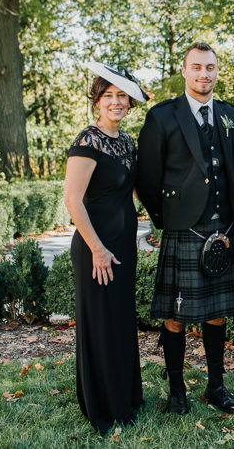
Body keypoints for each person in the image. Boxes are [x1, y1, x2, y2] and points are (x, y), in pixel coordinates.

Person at [136, 42, 234, 417]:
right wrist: (166, 222)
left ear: (218, 71)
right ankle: (176, 393)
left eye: (210, 68)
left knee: (218, 312)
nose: (204, 74)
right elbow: (148, 178)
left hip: (224, 228)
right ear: (184, 71)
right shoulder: (162, 116)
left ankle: (217, 387)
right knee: (176, 316)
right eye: (197, 67)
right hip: (184, 231)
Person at [64, 62, 148, 434]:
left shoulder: (127, 141)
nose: (115, 102)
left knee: (119, 321)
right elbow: (73, 201)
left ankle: (125, 398)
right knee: (100, 324)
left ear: (129, 101)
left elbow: (130, 192)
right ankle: (102, 405)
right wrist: (97, 248)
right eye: (107, 95)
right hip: (95, 248)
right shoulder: (87, 140)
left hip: (122, 246)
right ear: (97, 100)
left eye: (121, 96)